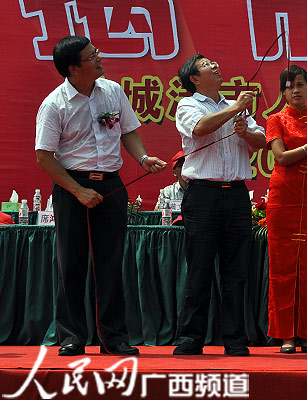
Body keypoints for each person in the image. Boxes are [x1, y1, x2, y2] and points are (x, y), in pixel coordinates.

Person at [35, 36, 167, 356]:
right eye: (91, 55)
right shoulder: (55, 104)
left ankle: (114, 337)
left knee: (110, 263)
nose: (99, 57)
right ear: (73, 68)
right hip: (73, 187)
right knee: (72, 263)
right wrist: (78, 190)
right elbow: (45, 156)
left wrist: (143, 158)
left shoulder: (112, 91)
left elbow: (127, 131)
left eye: (96, 52)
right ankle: (72, 336)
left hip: (110, 186)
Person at [173, 55, 266, 356]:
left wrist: (246, 131)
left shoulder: (234, 107)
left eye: (216, 62)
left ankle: (235, 340)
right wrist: (235, 109)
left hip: (237, 196)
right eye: (207, 65)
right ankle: (191, 339)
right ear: (195, 79)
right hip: (203, 195)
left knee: (235, 270)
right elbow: (199, 129)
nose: (215, 65)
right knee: (199, 267)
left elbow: (261, 139)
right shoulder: (188, 105)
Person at [265, 65, 307, 353]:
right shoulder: (276, 119)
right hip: (284, 199)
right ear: (283, 92)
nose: (295, 90)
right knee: (283, 267)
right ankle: (286, 334)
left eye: (300, 84)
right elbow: (281, 158)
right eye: (289, 86)